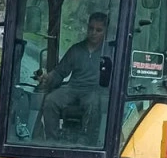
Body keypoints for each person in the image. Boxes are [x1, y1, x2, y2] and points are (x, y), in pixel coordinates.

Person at [36, 12, 111, 142]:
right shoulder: (76, 50)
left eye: (98, 30)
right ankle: (52, 141)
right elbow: (60, 72)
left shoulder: (110, 52)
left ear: (105, 32)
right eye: (91, 28)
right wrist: (47, 78)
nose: (93, 32)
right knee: (50, 100)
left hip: (94, 90)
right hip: (73, 88)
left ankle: (88, 142)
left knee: (93, 104)